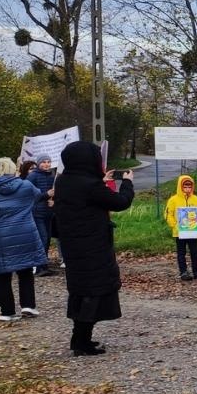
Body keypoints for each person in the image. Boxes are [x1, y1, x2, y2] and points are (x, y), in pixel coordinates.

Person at [51, 141, 133, 356]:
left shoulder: (63, 182)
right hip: (93, 247)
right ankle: (81, 342)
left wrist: (100, 181)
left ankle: (80, 338)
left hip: (73, 246)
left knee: (81, 291)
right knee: (93, 292)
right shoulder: (89, 185)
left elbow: (87, 197)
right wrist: (127, 183)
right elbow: (120, 202)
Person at [0, 157, 46, 322]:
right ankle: (28, 305)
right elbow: (37, 196)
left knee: (2, 273)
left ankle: (7, 311)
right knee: (26, 269)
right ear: (13, 169)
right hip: (25, 232)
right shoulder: (26, 186)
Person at [164, 174, 197, 281]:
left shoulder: (196, 199)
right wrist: (174, 225)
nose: (187, 189)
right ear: (180, 186)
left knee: (195, 251)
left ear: (192, 187)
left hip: (193, 231)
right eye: (185, 186)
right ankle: (183, 272)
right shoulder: (173, 200)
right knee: (181, 252)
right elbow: (168, 214)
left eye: (189, 187)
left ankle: (196, 271)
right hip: (179, 232)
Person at [27, 156, 57, 276]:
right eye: (44, 162)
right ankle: (39, 267)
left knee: (47, 239)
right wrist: (45, 195)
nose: (46, 164)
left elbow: (54, 193)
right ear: (39, 163)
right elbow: (28, 195)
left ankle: (44, 266)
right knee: (42, 239)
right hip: (37, 213)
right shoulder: (33, 176)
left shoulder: (52, 176)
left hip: (48, 213)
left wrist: (54, 200)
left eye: (48, 162)